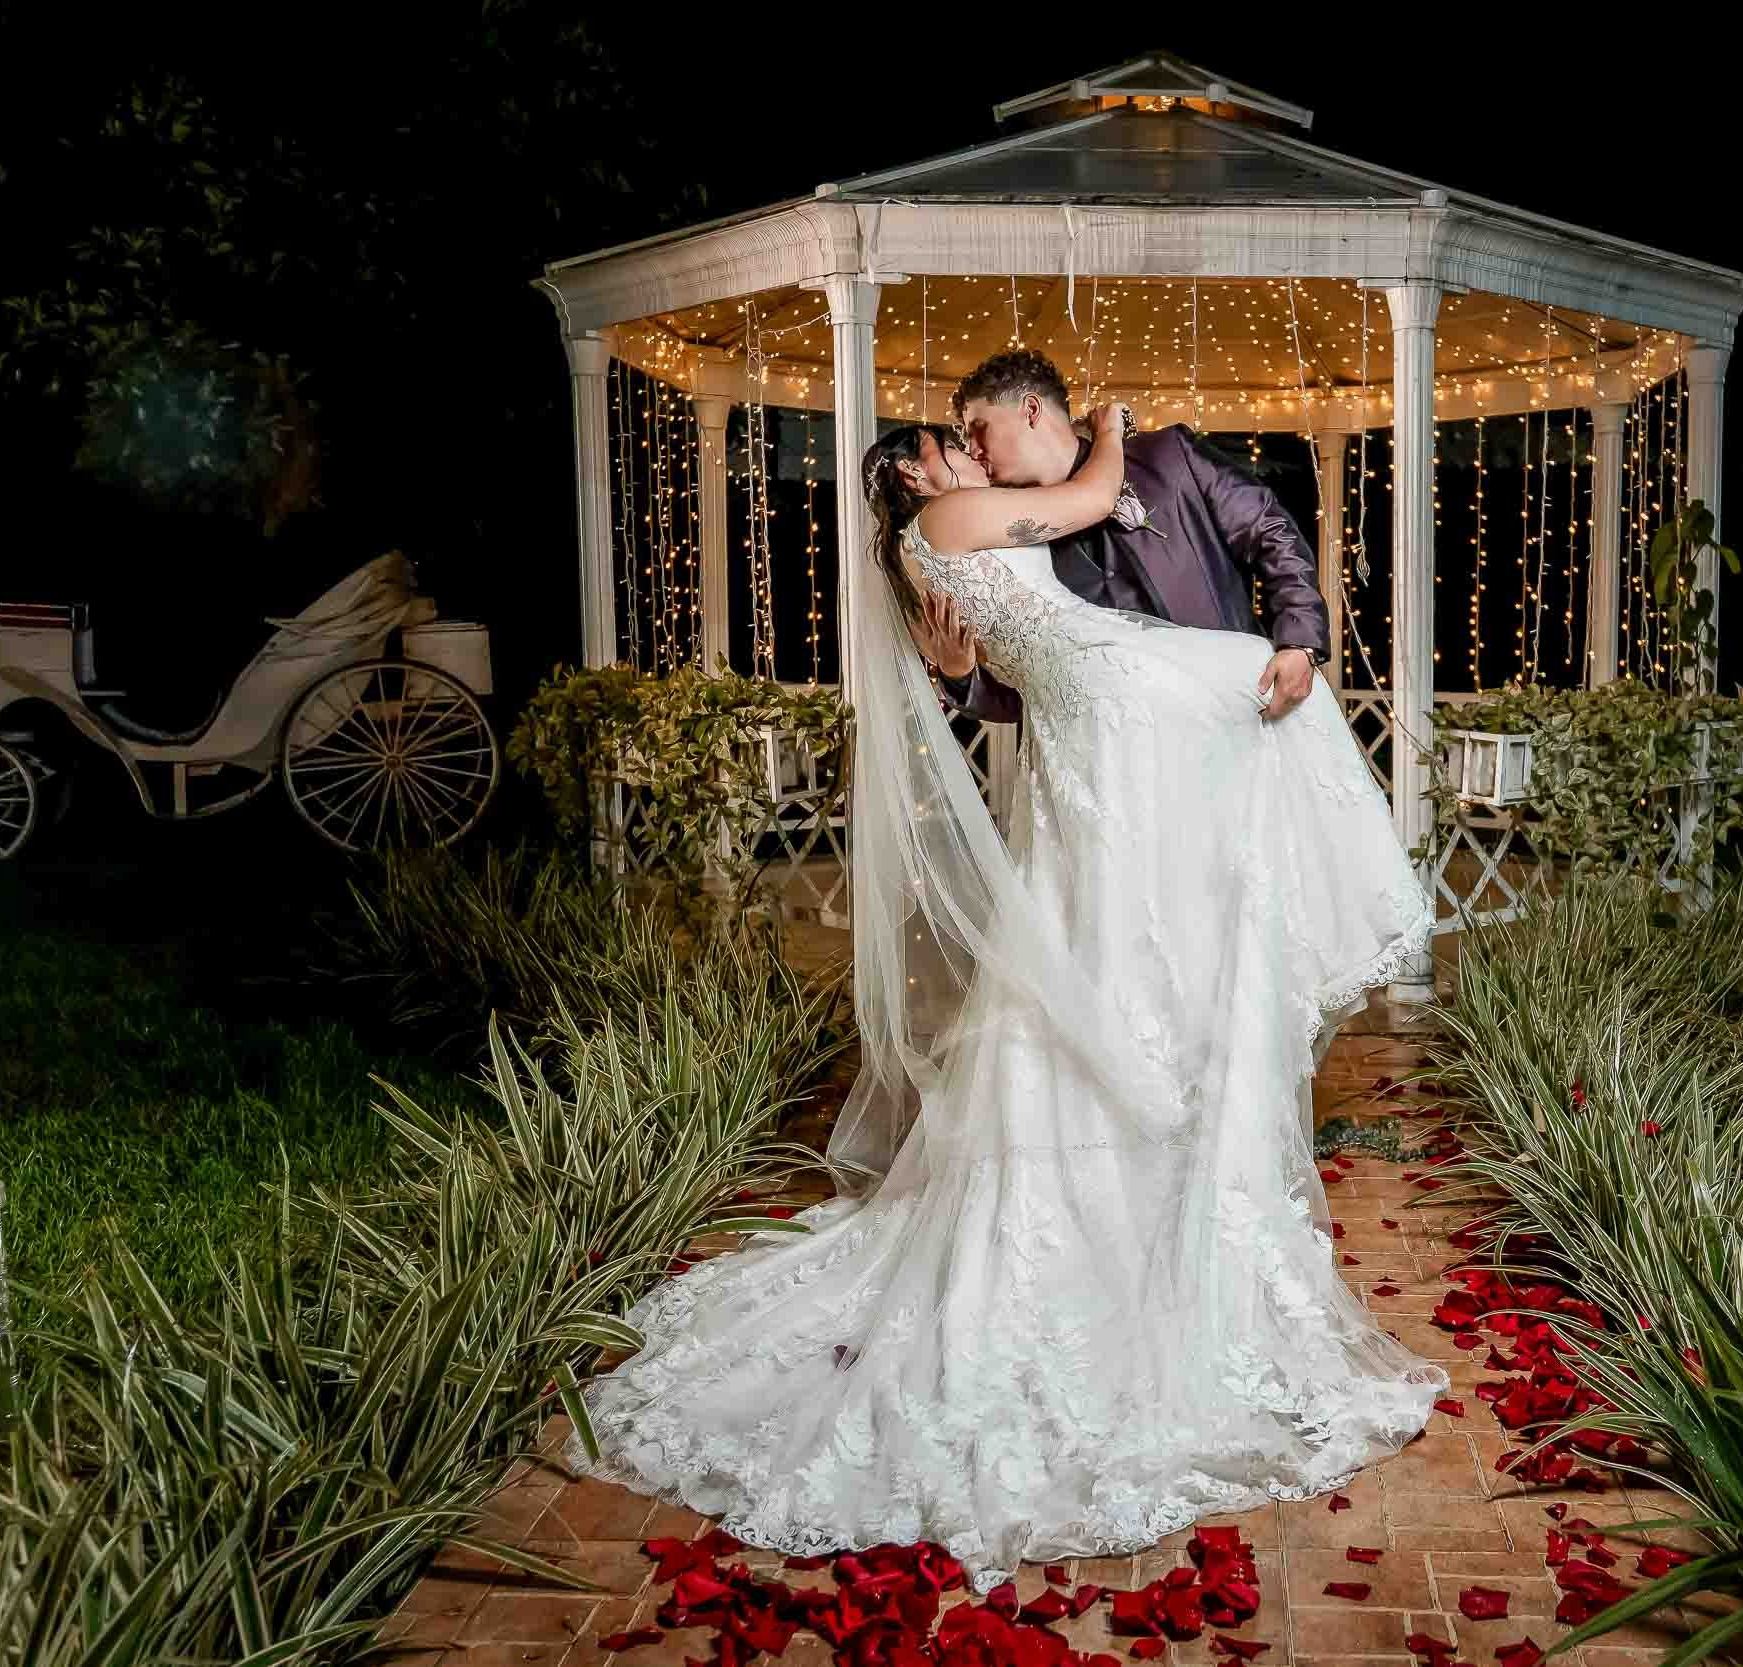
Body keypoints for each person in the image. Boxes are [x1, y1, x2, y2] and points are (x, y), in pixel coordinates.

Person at [573, 398, 1442, 1594]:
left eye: (978, 433)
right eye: (953, 441)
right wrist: (1114, 425)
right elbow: (1084, 510)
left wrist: (972, 653)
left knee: (1139, 900)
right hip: (1108, 712)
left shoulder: (962, 530)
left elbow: (1093, 596)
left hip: (1105, 732)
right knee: (1210, 752)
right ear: (917, 470)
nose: (968, 453)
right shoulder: (959, 510)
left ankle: (1227, 1015)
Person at [914, 350, 1329, 725]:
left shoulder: (1168, 456)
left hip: (1238, 714)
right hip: (1117, 766)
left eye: (978, 428)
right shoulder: (1007, 541)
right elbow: (1031, 694)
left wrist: (1300, 644)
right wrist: (960, 677)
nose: (971, 449)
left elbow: (1270, 531)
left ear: (1031, 410)